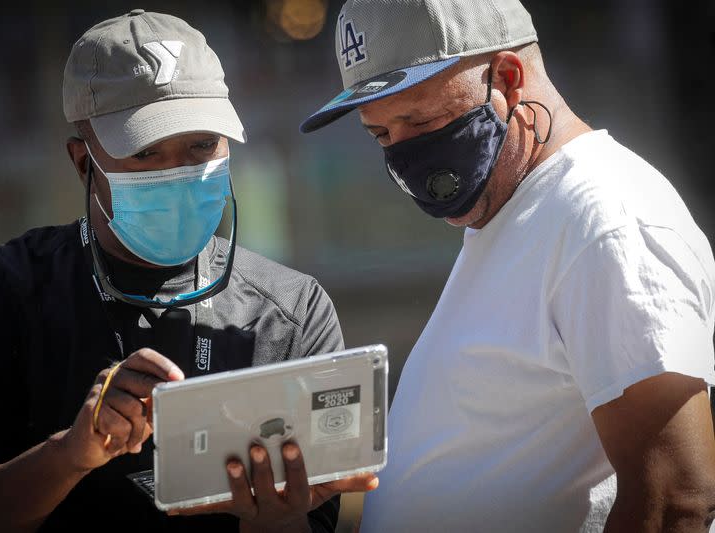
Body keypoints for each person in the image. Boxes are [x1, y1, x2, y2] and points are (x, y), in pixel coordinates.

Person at [0, 9, 378, 533]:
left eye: (202, 145)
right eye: (146, 151)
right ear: (82, 161)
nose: (177, 170)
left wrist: (275, 515)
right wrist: (70, 454)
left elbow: (316, 520)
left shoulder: (291, 313)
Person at [300, 0, 715, 531]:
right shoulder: (520, 213)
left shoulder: (603, 216)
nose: (403, 155)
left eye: (420, 121)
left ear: (508, 78)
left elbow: (676, 499)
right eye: (381, 134)